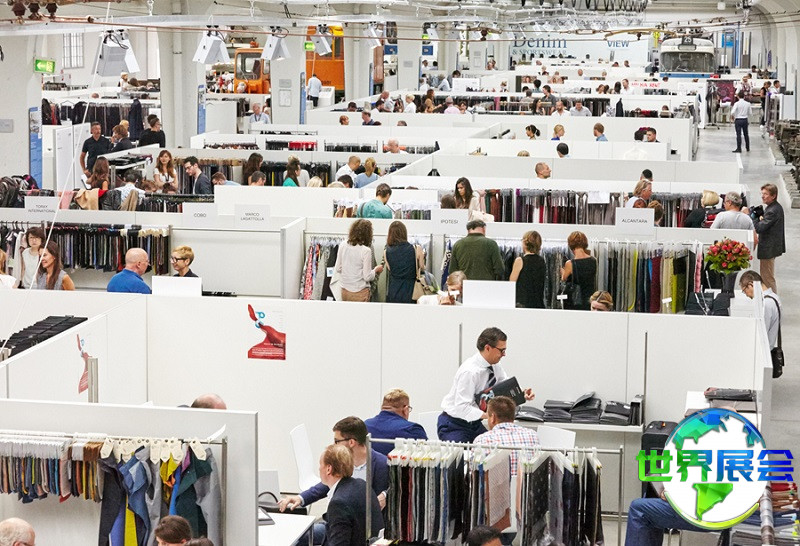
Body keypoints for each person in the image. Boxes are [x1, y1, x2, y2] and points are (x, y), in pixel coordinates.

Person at [278, 422, 387, 541]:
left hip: (358, 531)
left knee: (297, 536)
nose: (334, 445)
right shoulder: (355, 478)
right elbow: (329, 483)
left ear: (351, 442)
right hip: (342, 524)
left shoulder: (382, 464)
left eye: (336, 441)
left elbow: (397, 487)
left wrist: (385, 495)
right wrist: (301, 498)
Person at [438, 327, 535, 442]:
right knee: (463, 453)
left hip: (474, 423)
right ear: (487, 348)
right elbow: (462, 407)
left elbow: (505, 387)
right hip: (455, 424)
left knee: (493, 446)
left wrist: (522, 394)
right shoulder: (469, 372)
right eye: (501, 350)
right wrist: (491, 415)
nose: (504, 354)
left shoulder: (495, 365)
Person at [317, 444, 384, 545]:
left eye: (320, 464)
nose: (319, 468)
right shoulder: (362, 484)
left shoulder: (338, 503)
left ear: (328, 469)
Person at [474, 396, 539, 476]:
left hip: (494, 484)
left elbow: (475, 473)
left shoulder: (482, 440)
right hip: (525, 484)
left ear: (493, 417)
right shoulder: (532, 436)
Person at [365, 388, 428, 455]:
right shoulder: (412, 429)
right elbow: (427, 456)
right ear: (405, 409)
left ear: (383, 407)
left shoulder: (365, 425)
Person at [334, 219, 383, 302]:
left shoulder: (343, 244)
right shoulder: (366, 250)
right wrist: (375, 270)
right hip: (360, 292)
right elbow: (367, 277)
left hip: (345, 290)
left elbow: (338, 268)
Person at [753, 183, 785, 292]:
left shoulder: (772, 211)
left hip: (769, 248)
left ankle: (772, 298)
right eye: (762, 193)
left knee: (767, 277)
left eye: (765, 194)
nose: (762, 196)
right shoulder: (773, 207)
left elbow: (759, 228)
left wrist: (754, 217)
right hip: (771, 246)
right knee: (767, 275)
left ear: (773, 196)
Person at [740, 270, 781, 348]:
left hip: (763, 349)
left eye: (744, 291)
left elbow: (762, 330)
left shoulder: (766, 303)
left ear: (750, 285)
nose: (746, 295)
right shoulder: (775, 297)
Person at [560, 231, 597, 311]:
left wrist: (562, 272)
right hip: (590, 298)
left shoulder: (570, 263)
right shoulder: (593, 261)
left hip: (575, 300)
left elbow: (564, 278)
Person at [509, 230, 545, 309]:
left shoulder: (520, 260)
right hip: (538, 303)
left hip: (522, 303)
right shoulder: (542, 261)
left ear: (525, 243)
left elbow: (511, 283)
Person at [383, 220, 417, 304]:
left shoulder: (386, 252)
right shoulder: (415, 249)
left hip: (394, 289)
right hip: (411, 289)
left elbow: (390, 268)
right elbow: (421, 267)